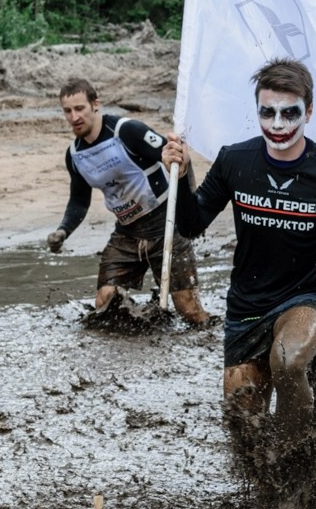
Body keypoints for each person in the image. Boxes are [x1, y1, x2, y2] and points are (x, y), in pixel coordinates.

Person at [160, 57, 316, 500]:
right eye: (267, 112)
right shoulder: (235, 161)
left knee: (288, 360)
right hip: (247, 306)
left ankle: (298, 477)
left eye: (289, 113)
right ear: (257, 111)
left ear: (309, 112)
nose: (278, 125)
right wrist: (182, 176)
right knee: (245, 426)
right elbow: (191, 223)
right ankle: (275, 486)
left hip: (309, 299)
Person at [48, 78, 210, 325]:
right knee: (105, 303)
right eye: (67, 111)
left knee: (189, 311)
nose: (74, 117)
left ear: (95, 105)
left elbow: (176, 158)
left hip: (164, 223)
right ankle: (143, 325)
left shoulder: (127, 131)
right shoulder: (75, 155)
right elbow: (79, 201)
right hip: (127, 234)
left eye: (79, 108)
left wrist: (190, 215)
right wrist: (63, 230)